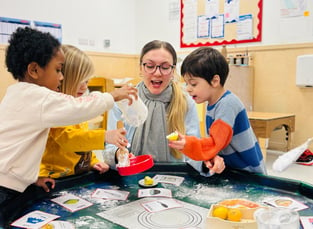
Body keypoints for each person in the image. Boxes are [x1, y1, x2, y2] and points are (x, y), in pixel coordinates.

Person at [0, 27, 136, 225]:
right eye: (57, 70)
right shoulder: (38, 97)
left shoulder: (20, 95)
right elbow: (78, 111)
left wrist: (30, 179)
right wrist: (112, 96)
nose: (61, 77)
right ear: (34, 70)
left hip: (11, 183)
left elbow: (18, 154)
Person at [104, 40, 225, 176]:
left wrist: (207, 159)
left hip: (174, 177)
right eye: (150, 66)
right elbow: (108, 149)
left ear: (173, 71)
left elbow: (193, 147)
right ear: (140, 68)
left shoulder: (185, 101)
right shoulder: (124, 100)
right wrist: (118, 154)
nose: (157, 73)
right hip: (131, 177)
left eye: (165, 67)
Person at [35, 45, 129, 192]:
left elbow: (82, 144)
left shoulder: (77, 106)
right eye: (81, 81)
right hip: (53, 179)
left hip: (75, 178)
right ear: (63, 78)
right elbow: (70, 139)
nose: (85, 87)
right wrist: (104, 136)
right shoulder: (56, 108)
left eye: (87, 81)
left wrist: (92, 161)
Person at [168, 47, 267, 174]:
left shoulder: (227, 104)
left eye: (193, 84)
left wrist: (188, 144)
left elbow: (215, 143)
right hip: (232, 170)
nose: (188, 89)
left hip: (248, 174)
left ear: (215, 81)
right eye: (186, 84)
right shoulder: (212, 103)